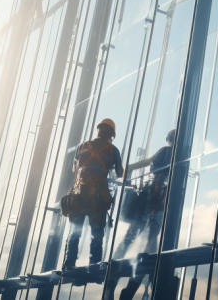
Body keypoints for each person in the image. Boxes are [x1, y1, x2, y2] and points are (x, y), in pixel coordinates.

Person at [115, 130, 175, 300]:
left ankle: (115, 266)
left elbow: (145, 162)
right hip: (159, 199)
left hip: (151, 196)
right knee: (150, 241)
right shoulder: (173, 153)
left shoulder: (163, 151)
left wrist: (127, 169)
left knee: (133, 236)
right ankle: (142, 278)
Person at [63, 118, 124, 269]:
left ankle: (69, 264)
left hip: (78, 196)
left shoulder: (83, 146)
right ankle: (94, 266)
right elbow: (119, 173)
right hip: (97, 199)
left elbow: (74, 169)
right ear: (111, 134)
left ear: (98, 130)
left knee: (75, 232)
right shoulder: (113, 150)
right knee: (96, 235)